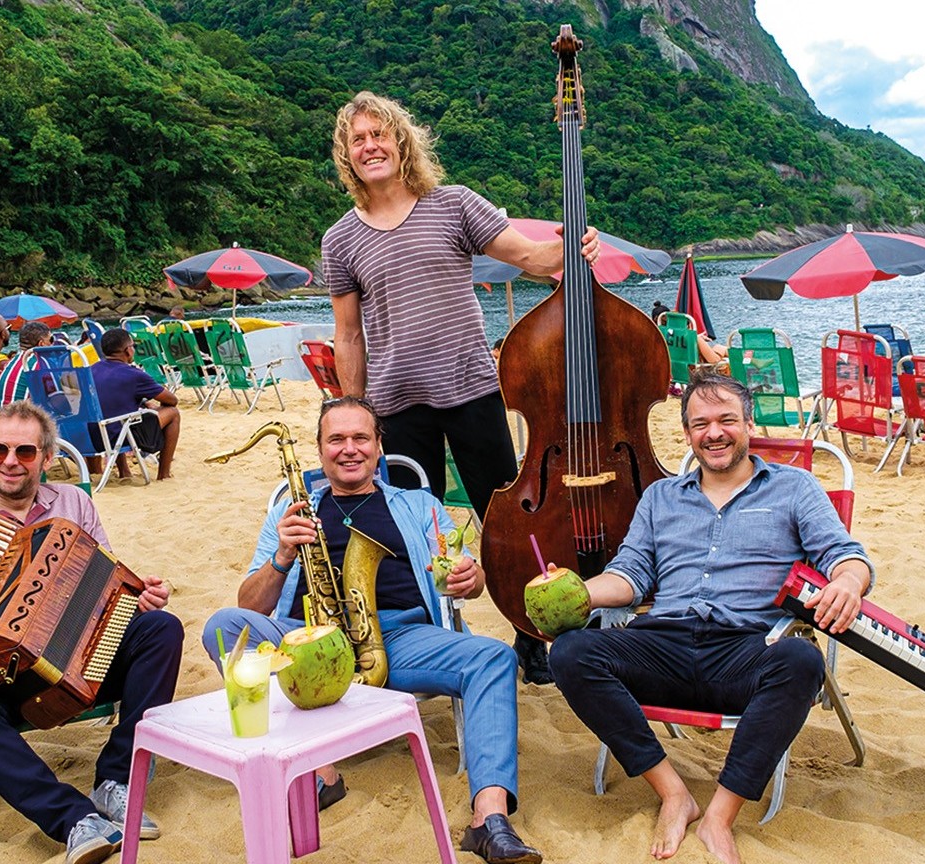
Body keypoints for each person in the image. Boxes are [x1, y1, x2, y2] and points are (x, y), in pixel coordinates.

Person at [322, 90, 601, 685]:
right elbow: (348, 335)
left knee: (508, 519)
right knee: (412, 530)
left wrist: (574, 246)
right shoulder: (339, 239)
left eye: (379, 134)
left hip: (472, 389)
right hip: (396, 404)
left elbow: (532, 257)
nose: (370, 146)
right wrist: (355, 411)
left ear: (401, 141)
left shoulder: (454, 204)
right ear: (348, 156)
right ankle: (432, 637)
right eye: (357, 139)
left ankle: (531, 637)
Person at [548, 372, 874, 864]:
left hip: (744, 651)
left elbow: (844, 554)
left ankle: (719, 817)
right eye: (701, 424)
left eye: (727, 420)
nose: (714, 433)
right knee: (570, 651)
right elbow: (630, 573)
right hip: (663, 645)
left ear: (749, 424)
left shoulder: (794, 488)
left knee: (801, 661)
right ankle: (674, 793)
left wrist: (848, 581)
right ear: (687, 434)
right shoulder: (660, 497)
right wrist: (575, 593)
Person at [203, 397, 542, 864]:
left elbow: (464, 576)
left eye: (360, 438)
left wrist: (470, 576)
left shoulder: (419, 504)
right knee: (223, 627)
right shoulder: (292, 511)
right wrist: (282, 556)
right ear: (319, 449)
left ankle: (489, 818)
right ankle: (321, 772)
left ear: (379, 446)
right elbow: (250, 605)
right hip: (304, 640)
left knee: (495, 657)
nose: (349, 449)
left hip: (398, 636)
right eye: (336, 439)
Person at [0, 402, 182, 864]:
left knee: (160, 629)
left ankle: (117, 780)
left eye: (25, 452)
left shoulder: (73, 502)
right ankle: (74, 820)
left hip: (83, 660)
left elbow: (106, 583)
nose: (10, 461)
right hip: (1, 675)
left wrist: (138, 595)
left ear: (47, 458)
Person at [91, 328, 180, 481]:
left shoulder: (91, 370)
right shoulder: (134, 374)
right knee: (173, 413)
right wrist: (150, 402)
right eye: (133, 346)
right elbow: (172, 400)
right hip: (117, 436)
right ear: (128, 350)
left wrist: (144, 402)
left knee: (115, 413)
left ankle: (124, 471)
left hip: (91, 437)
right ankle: (164, 474)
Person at [0, 321, 57, 409]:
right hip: (20, 416)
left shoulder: (11, 362)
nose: (53, 344)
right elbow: (57, 401)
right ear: (41, 344)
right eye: (51, 340)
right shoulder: (41, 365)